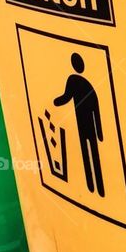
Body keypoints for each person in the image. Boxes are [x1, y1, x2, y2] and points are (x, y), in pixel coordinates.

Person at [54, 52, 105, 197]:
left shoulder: (73, 80)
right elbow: (96, 107)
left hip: (82, 124)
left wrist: (56, 102)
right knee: (94, 153)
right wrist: (99, 132)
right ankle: (99, 188)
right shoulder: (89, 85)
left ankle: (91, 185)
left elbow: (66, 97)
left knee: (86, 152)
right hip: (89, 125)